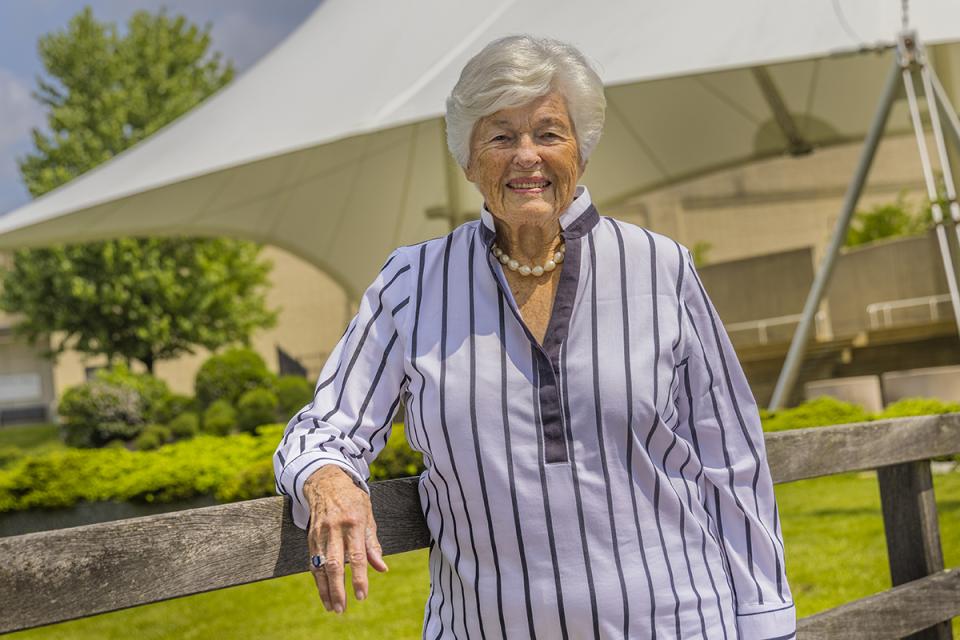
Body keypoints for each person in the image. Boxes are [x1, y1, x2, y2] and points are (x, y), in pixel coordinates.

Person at [274, 34, 795, 639]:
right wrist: (330, 481)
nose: (527, 155)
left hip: (675, 623)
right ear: (469, 161)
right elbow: (325, 428)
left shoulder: (660, 266)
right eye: (500, 136)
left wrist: (765, 621)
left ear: (582, 149)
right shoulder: (411, 283)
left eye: (548, 133)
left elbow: (730, 457)